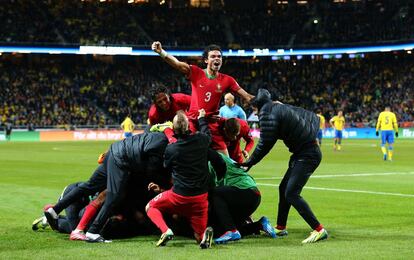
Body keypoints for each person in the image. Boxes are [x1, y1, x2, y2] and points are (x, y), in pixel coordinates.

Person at [44, 131, 170, 243]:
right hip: (121, 161)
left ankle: (55, 210)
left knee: (91, 186)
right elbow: (150, 169)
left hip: (113, 152)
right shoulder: (159, 148)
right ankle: (90, 231)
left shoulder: (152, 138)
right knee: (112, 196)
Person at [241, 89, 328, 244]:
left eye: (254, 109)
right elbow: (311, 116)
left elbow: (265, 143)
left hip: (307, 155)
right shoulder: (280, 107)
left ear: (257, 106)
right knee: (284, 188)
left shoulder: (267, 113)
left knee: (292, 193)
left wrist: (250, 162)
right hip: (304, 152)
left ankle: (319, 229)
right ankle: (281, 227)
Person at [151, 41, 254, 155]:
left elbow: (247, 96)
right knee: (187, 155)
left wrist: (268, 103)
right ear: (206, 60)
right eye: (213, 56)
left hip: (211, 123)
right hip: (193, 122)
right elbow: (177, 64)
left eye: (219, 56)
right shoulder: (196, 72)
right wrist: (161, 52)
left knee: (224, 159)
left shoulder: (228, 80)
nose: (217, 59)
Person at [145, 109, 214, 249]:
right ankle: (203, 237)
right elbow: (208, 134)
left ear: (174, 130)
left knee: (150, 207)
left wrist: (168, 134)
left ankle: (165, 231)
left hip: (178, 196)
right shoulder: (202, 140)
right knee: (198, 236)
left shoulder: (172, 149)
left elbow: (166, 165)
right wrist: (201, 118)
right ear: (188, 126)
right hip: (200, 198)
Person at [208, 151, 276, 244]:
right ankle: (259, 225)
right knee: (219, 231)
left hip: (245, 191)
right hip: (252, 194)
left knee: (214, 193)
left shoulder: (209, 161)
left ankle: (231, 231)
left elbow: (210, 189)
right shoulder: (217, 156)